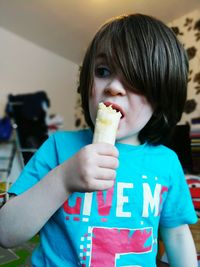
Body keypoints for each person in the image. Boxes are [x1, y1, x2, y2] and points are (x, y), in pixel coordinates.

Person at [0, 14, 198, 267]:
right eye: (103, 71)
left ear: (161, 96)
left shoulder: (167, 163)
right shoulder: (59, 147)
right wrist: (63, 179)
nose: (114, 86)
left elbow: (178, 236)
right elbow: (6, 233)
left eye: (135, 77)